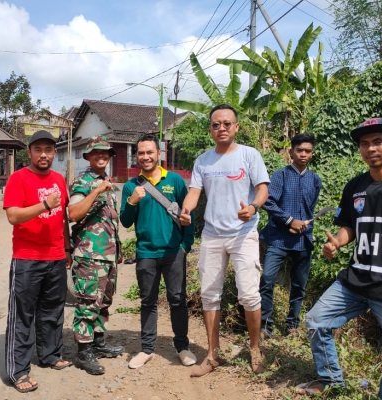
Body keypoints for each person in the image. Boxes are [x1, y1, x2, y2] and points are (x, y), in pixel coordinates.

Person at [295, 118, 382, 399]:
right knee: (315, 322)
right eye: (364, 143)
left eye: (377, 141)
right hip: (355, 280)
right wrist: (337, 241)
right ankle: (331, 381)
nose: (370, 148)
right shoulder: (355, 186)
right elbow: (349, 224)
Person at [179, 104, 270, 376]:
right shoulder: (203, 161)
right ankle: (212, 354)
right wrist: (186, 209)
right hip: (212, 235)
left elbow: (263, 189)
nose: (222, 128)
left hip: (243, 234)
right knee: (209, 294)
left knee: (249, 294)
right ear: (210, 129)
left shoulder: (249, 155)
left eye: (227, 123)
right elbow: (194, 192)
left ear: (236, 127)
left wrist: (253, 207)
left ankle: (255, 348)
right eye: (216, 124)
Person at [3, 130, 73, 393]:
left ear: (55, 152)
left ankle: (50, 355)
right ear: (30, 152)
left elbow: (64, 216)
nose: (44, 155)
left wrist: (66, 247)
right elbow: (13, 216)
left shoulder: (59, 179)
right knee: (22, 315)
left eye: (49, 150)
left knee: (53, 311)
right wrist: (44, 204)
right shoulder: (18, 178)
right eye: (38, 149)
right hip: (27, 259)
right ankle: (18, 370)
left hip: (55, 257)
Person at [120, 133, 197, 369]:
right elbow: (125, 221)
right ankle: (146, 349)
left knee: (177, 300)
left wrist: (186, 245)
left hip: (174, 252)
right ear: (137, 156)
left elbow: (189, 215)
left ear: (159, 154)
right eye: (141, 153)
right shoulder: (131, 186)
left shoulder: (174, 181)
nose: (145, 157)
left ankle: (182, 347)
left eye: (149, 152)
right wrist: (132, 201)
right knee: (147, 302)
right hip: (146, 253)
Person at [68, 136, 124, 375]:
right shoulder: (84, 181)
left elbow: (109, 220)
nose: (101, 156)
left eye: (105, 153)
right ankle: (84, 352)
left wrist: (117, 249)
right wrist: (98, 190)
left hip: (107, 255)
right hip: (90, 255)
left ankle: (99, 344)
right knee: (88, 304)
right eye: (96, 153)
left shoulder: (106, 181)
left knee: (103, 302)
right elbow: (74, 213)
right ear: (88, 157)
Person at [259, 133, 322, 339]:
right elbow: (268, 202)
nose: (303, 154)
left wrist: (303, 224)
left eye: (307, 151)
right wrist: (289, 221)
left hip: (303, 239)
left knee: (299, 285)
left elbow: (310, 209)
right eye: (299, 150)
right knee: (267, 279)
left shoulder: (315, 180)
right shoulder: (280, 176)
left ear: (312, 154)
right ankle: (265, 325)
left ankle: (292, 325)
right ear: (291, 152)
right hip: (278, 238)